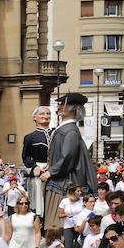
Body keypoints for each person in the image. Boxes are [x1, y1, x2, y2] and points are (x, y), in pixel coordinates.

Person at [42, 93, 95, 234]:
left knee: (56, 228)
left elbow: (68, 157)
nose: (59, 107)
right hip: (59, 181)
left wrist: (51, 171)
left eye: (62, 104)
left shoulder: (70, 131)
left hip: (61, 184)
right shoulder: (66, 129)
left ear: (73, 109)